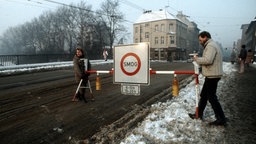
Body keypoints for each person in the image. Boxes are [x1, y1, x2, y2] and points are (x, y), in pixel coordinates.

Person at [189, 31, 226, 126]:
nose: (200, 41)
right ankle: (199, 114)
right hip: (211, 74)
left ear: (205, 37)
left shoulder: (210, 46)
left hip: (212, 75)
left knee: (212, 98)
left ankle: (221, 119)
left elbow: (208, 60)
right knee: (204, 96)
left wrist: (196, 59)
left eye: (200, 39)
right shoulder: (211, 45)